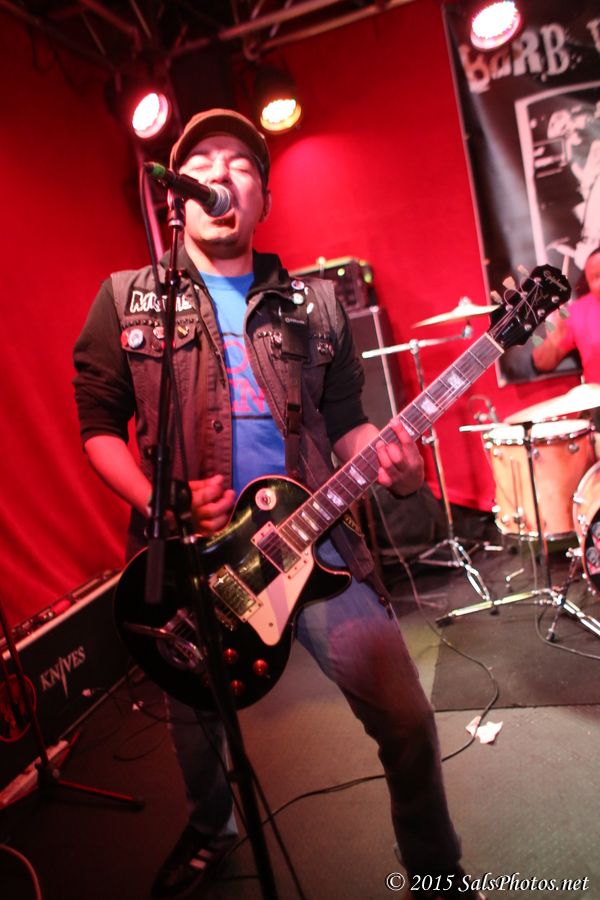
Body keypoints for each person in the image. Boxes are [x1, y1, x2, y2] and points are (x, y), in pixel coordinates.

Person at [73, 109, 484, 900]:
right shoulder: (126, 300)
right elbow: (97, 428)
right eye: (201, 162)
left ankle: (437, 872)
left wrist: (393, 461)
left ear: (264, 197)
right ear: (178, 193)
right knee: (197, 721)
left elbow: (348, 421)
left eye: (240, 163)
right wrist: (161, 509)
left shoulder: (316, 304)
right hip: (195, 562)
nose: (219, 174)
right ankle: (210, 829)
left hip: (315, 543)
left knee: (405, 719)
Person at [532, 245, 600, 383]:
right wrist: (553, 341)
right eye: (597, 276)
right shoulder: (578, 312)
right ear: (589, 283)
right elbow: (542, 363)